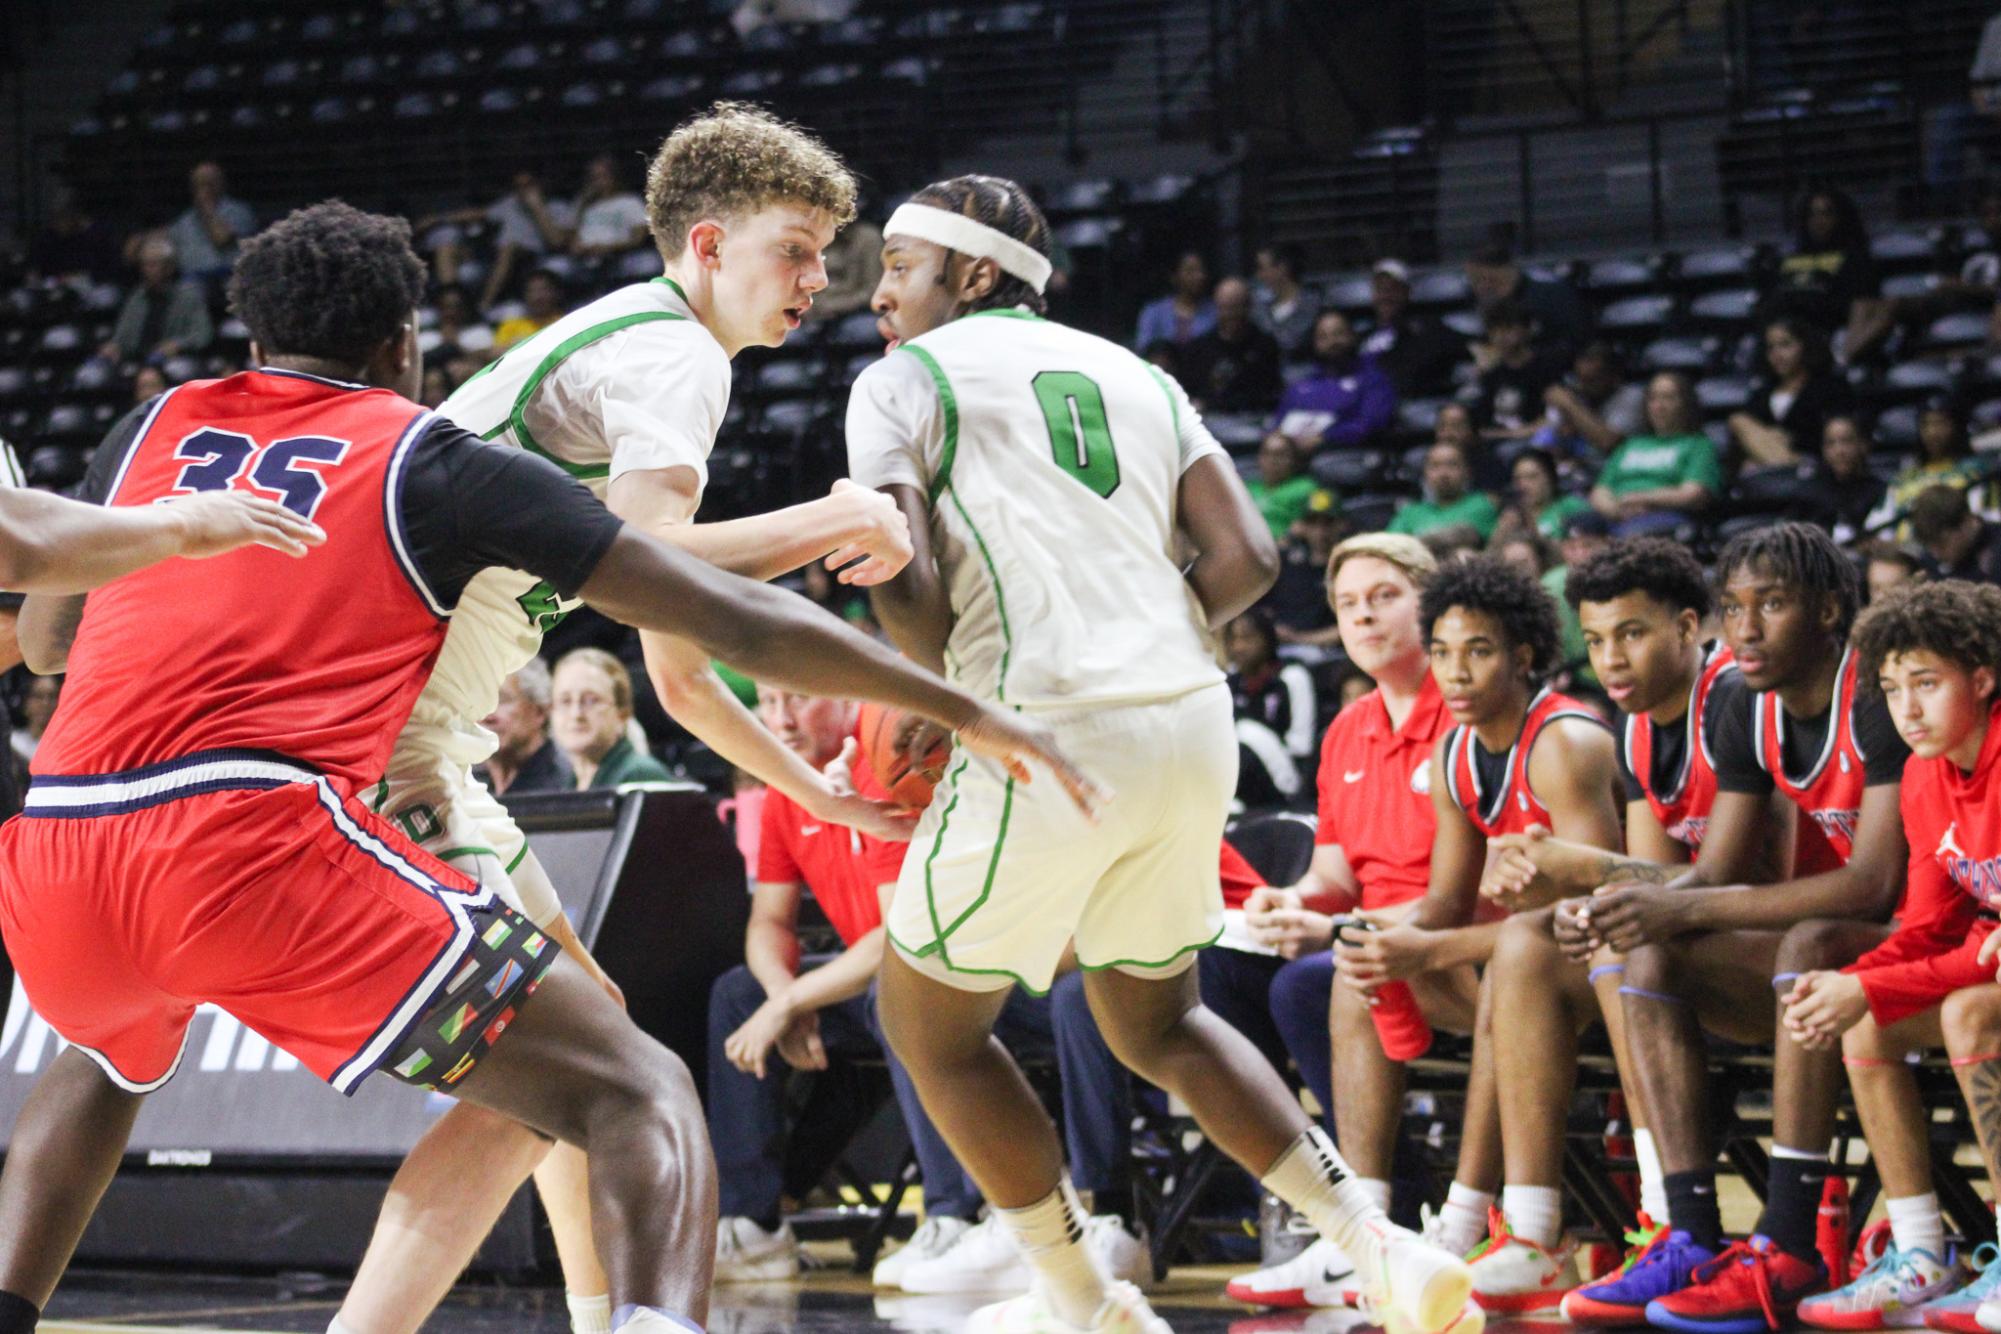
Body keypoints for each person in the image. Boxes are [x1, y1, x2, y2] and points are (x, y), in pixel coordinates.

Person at [0, 199, 1093, 1334]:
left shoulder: (153, 426)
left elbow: (44, 643)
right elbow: (724, 613)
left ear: (253, 341)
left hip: (60, 843)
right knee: (636, 1086)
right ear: (402, 346)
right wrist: (959, 699)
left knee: (100, 1057)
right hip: (265, 831)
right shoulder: (439, 457)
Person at [313, 104, 938, 1334]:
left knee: (576, 1055)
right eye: (795, 247)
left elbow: (684, 674)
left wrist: (821, 798)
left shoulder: (631, 345)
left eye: (829, 252)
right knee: (580, 1062)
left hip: (403, 722)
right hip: (391, 734)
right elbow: (660, 560)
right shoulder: (674, 357)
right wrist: (843, 512)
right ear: (707, 244)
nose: (821, 276)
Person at [852, 174, 1476, 1334]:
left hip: (1040, 719)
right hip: (1189, 719)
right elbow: (1248, 554)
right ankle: (1373, 1241)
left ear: (975, 273)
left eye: (899, 263)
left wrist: (926, 676)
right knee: (1157, 1020)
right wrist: (1145, 634)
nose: (877, 290)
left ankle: (1083, 1295)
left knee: (927, 1025)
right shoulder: (1142, 374)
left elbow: (912, 595)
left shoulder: (904, 379)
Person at [1497, 523, 1913, 1332]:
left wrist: (1663, 900)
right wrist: (1623, 904)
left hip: (1899, 939)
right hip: (1819, 955)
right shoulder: (1746, 710)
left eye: (1772, 605)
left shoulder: (1874, 697)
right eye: (1735, 607)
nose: (1746, 628)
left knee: (1806, 941)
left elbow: (1871, 887)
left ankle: (1788, 1239)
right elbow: (1712, 871)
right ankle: (1686, 1229)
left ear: (1828, 610)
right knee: (1643, 949)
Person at [1481, 541, 1786, 1323]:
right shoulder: (1641, 724)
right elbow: (1645, 874)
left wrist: (1584, 869)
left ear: (1688, 627)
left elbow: (1736, 881)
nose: (1610, 658)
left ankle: (1670, 1218)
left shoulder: (1736, 700)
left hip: (1784, 943)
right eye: (1594, 639)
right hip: (1706, 941)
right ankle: (1532, 1229)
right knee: (1529, 940)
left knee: (1625, 936)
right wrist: (1582, 892)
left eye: (1631, 633)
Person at [1333, 557, 1620, 1313]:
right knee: (1355, 955)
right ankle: (1360, 1232)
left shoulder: (1562, 742)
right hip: (1522, 965)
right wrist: (1378, 934)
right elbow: (1441, 905)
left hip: (1609, 972)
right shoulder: (1453, 751)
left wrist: (1427, 949)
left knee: (1513, 971)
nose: (1454, 673)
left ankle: (1485, 1225)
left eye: (1478, 651)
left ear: (1523, 656)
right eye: (1442, 653)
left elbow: (1599, 910)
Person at [1226, 533, 1461, 1310]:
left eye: (1384, 597)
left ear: (1430, 604)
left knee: (1307, 984)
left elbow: (1465, 891)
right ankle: (1310, 1207)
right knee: (1218, 978)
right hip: (1359, 937)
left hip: (1444, 944)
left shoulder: (1463, 713)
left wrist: (1331, 928)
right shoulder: (1345, 727)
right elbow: (1332, 874)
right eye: (1348, 605)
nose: (1364, 617)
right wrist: (1291, 902)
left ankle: (1370, 1219)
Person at [1777, 581, 2001, 1330]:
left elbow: (1979, 960)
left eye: (1926, 684)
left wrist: (1865, 987)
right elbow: (1934, 927)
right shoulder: (1921, 774)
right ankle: (1918, 1253)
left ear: (1981, 677)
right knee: (1867, 1022)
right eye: (1890, 687)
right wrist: (1850, 985)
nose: (1905, 708)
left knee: (1969, 1012)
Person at [418, 169, 576, 310]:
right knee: (447, 245)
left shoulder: (557, 207)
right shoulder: (510, 203)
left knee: (508, 249)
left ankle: (485, 304)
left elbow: (557, 242)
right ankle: (449, 305)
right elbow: (478, 214)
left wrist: (537, 208)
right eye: (518, 187)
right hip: (496, 257)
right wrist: (437, 219)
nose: (523, 191)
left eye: (528, 185)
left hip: (534, 257)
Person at [1588, 372, 1721, 537]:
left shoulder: (1698, 445)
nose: (1659, 406)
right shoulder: (1630, 445)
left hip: (1665, 517)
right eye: (1653, 398)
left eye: (1668, 398)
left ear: (1686, 404)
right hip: (1617, 515)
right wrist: (1616, 511)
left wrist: (1640, 499)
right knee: (1577, 525)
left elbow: (1694, 494)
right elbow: (1600, 491)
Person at [1759, 187, 1881, 352]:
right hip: (1780, 332)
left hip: (1822, 335)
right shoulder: (1787, 259)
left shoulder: (1854, 259)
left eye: (1826, 213)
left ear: (1840, 217)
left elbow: (1854, 305)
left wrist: (1807, 302)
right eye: (1812, 214)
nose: (1818, 221)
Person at [1729, 317, 1852, 467]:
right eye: (1771, 348)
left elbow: (1836, 432)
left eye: (1785, 345)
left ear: (1805, 346)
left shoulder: (1829, 387)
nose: (1777, 354)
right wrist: (1773, 437)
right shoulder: (1763, 392)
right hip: (1766, 463)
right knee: (1738, 421)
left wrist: (1788, 437)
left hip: (1813, 461)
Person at [1226, 608, 1317, 808]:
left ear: (1267, 638)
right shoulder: (1230, 683)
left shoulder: (1292, 676)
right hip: (1241, 774)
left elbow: (1301, 747)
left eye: (1248, 638)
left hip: (1284, 777)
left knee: (1246, 730)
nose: (1239, 647)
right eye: (1233, 639)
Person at [1271, 310, 1397, 451]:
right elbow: (1278, 426)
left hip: (1348, 453)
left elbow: (1371, 423)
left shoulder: (1373, 379)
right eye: (1323, 337)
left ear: (1353, 336)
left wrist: (1327, 437)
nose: (1332, 342)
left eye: (1338, 333)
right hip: (1294, 456)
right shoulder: (1300, 386)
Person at [550, 649, 673, 789]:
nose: (576, 714)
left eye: (591, 700)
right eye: (565, 701)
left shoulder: (641, 775)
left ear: (622, 714)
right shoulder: (569, 782)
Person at [1881, 399, 2001, 533]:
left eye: (1940, 423)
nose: (1932, 432)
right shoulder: (1903, 479)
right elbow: (1878, 526)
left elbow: (1988, 519)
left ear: (1957, 426)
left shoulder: (1979, 471)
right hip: (1903, 550)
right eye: (1925, 425)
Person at [1465, 238, 1587, 360]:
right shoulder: (1482, 301)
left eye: (1480, 279)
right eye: (1473, 280)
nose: (1478, 287)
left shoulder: (1552, 294)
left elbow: (1576, 337)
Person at [100, 237, 214, 366]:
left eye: (153, 264)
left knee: (177, 368)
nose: (147, 270)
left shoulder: (188, 297)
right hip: (137, 358)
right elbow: (122, 335)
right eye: (144, 264)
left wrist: (178, 344)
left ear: (169, 267)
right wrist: (114, 346)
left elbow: (203, 335)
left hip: (174, 359)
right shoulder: (137, 297)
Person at [1179, 276, 1284, 414]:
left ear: (1247, 307)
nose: (1229, 315)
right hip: (1210, 419)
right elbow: (1189, 393)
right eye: (1224, 308)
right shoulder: (1199, 349)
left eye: (1235, 308)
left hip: (1253, 418)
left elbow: (1270, 393)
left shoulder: (1265, 346)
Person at [1362, 259, 1463, 399]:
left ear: (1406, 292)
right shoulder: (1363, 336)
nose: (1386, 297)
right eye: (1380, 289)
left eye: (1393, 289)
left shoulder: (1428, 328)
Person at [473, 660, 573, 796]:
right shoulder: (465, 785)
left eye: (501, 700)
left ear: (540, 711)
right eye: (478, 702)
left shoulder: (568, 783)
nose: (486, 717)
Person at [1473, 299, 1565, 441]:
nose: (1500, 336)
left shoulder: (1546, 367)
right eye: (1494, 330)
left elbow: (1555, 417)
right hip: (1497, 442)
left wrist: (1520, 433)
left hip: (1537, 440)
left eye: (1508, 328)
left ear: (1526, 330)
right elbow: (1482, 424)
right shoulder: (1490, 374)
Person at [1537, 341, 1645, 460]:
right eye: (1579, 378)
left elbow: (1609, 443)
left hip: (1615, 471)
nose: (1583, 386)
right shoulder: (1579, 396)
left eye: (1592, 380)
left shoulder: (1632, 396)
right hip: (1577, 468)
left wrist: (1569, 405)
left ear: (1614, 377)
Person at [1389, 440, 1501, 543]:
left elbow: (1464, 536)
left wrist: (1415, 541)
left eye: (1452, 465)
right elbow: (1390, 543)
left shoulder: (1481, 504)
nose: (1443, 473)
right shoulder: (1410, 512)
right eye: (1435, 466)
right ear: (1425, 473)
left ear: (1467, 471)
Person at [1798, 414, 1887, 543]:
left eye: (1847, 441)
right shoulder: (1808, 493)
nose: (1839, 451)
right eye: (1830, 443)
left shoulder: (1881, 492)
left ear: (1863, 445)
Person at [164, 160, 256, 285]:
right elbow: (169, 240)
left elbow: (222, 239)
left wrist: (208, 210)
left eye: (209, 182)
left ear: (221, 183)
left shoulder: (239, 211)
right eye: (199, 183)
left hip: (228, 276)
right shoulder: (185, 219)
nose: (204, 188)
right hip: (192, 280)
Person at [1491, 447, 1589, 545]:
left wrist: (1534, 534)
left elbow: (1582, 550)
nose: (1523, 485)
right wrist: (1501, 534)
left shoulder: (1571, 507)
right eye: (1518, 479)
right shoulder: (1513, 515)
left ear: (1550, 477)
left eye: (1532, 477)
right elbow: (1491, 554)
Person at [1910, 485, 2001, 587]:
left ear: (1965, 524)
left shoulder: (1996, 549)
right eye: (1928, 545)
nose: (1935, 554)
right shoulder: (1929, 562)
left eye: (1941, 544)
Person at [1132, 250, 1216, 350]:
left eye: (1201, 271)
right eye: (1191, 271)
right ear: (1174, 277)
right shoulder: (1154, 312)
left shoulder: (1214, 312)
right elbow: (1144, 348)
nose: (1199, 276)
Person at [1253, 243, 1321, 359]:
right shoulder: (1259, 308)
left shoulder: (1312, 304)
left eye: (1262, 268)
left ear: (1282, 268)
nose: (1259, 275)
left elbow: (1290, 342)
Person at [1247, 432, 1318, 539]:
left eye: (1280, 454)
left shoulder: (1307, 487)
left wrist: (1288, 538)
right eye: (1267, 454)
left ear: (1293, 459)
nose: (1273, 460)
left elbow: (1315, 523)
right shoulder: (1247, 489)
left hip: (1287, 549)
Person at [494, 268, 567, 350]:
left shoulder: (566, 323)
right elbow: (496, 355)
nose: (538, 297)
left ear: (557, 293)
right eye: (532, 291)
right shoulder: (511, 325)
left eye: (543, 290)